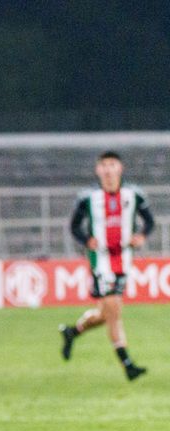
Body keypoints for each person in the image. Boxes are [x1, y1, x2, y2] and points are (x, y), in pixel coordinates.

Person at [59, 151, 154, 381]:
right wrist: (86, 240)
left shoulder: (133, 194)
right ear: (98, 170)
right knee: (114, 311)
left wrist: (141, 236)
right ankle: (127, 364)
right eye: (104, 165)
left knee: (104, 314)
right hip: (100, 262)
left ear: (120, 168)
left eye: (112, 164)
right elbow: (74, 226)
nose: (108, 169)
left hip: (123, 260)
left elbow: (149, 221)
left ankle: (72, 332)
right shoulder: (88, 198)